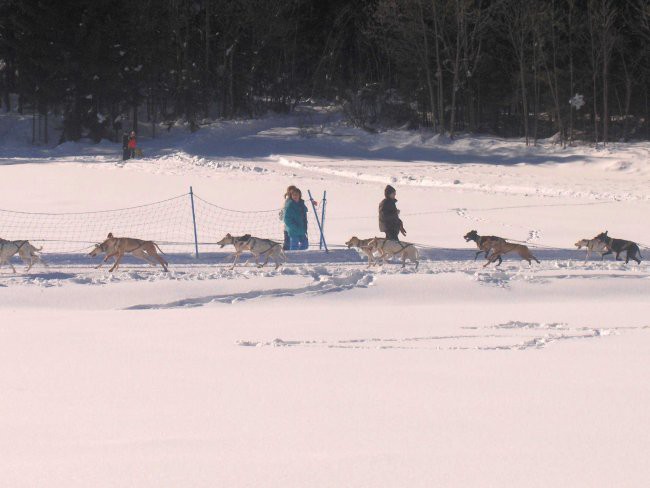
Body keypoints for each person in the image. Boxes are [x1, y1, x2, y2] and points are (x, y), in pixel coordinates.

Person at [280, 185, 298, 250]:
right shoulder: (288, 201)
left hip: (293, 225)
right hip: (288, 225)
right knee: (287, 241)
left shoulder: (294, 200)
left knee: (292, 241)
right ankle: (285, 252)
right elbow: (283, 213)